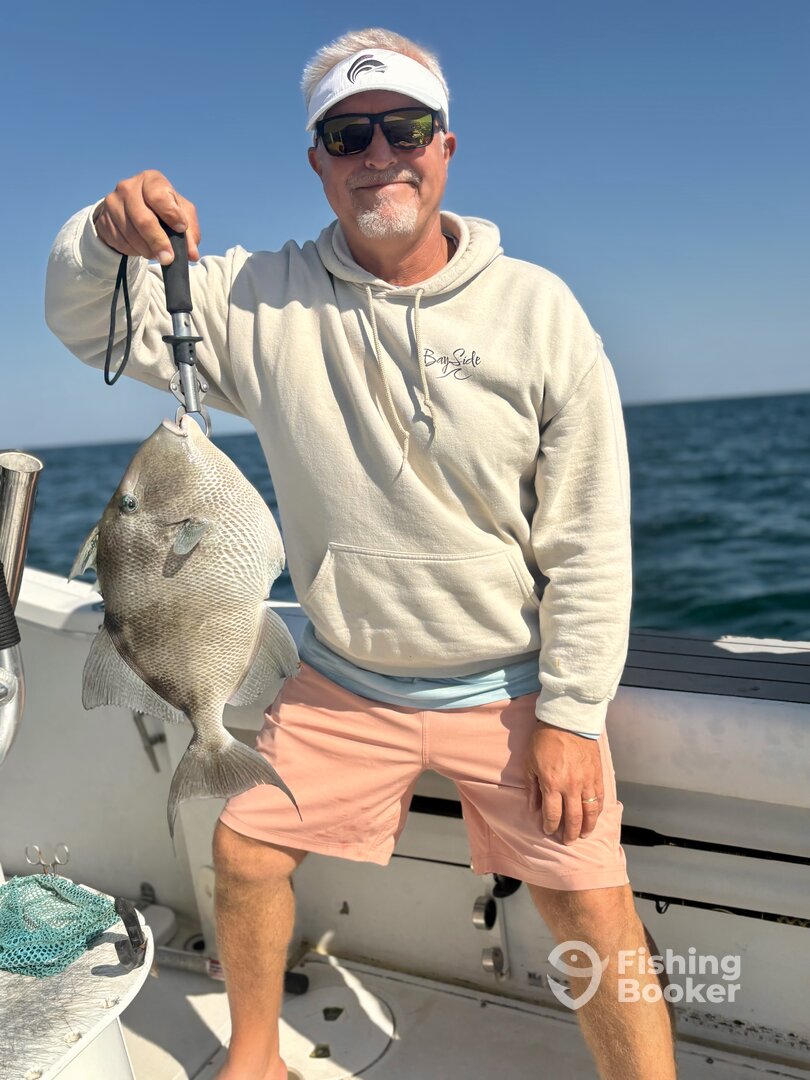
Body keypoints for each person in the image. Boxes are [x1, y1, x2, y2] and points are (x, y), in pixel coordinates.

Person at [46, 27, 678, 1080]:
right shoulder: (255, 299)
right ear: (318, 162)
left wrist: (571, 716)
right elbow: (90, 323)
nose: (379, 152)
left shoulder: (541, 312)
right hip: (346, 679)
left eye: (406, 128)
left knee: (589, 901)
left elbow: (590, 539)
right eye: (348, 135)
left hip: (512, 684)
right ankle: (255, 1060)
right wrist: (101, 239)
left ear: (446, 147)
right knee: (244, 851)